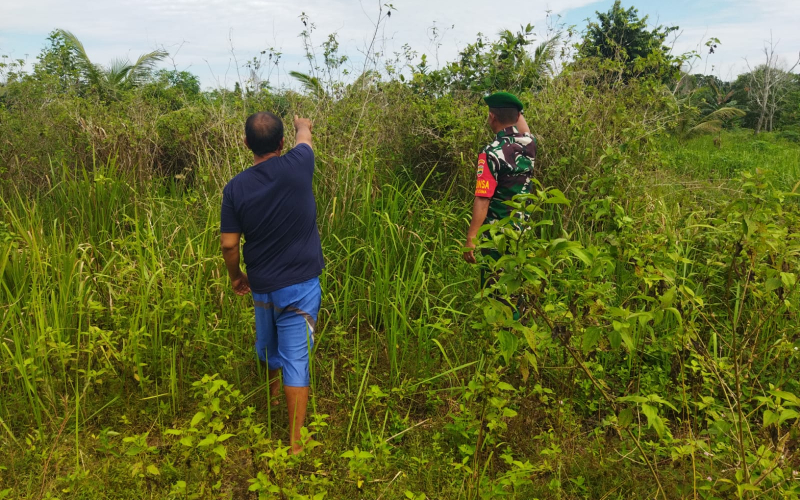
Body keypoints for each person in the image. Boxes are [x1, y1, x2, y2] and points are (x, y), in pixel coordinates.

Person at [220, 112, 324, 455]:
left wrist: (237, 277)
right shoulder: (298, 163)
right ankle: (295, 445)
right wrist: (301, 124)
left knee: (267, 344)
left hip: (262, 284)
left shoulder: (235, 187)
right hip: (301, 285)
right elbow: (305, 138)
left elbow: (229, 244)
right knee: (295, 358)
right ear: (281, 143)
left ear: (246, 143)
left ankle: (275, 398)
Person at [463, 92, 537, 316]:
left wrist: (471, 238)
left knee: (497, 288)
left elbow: (483, 198)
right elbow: (523, 128)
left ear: (492, 117)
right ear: (516, 117)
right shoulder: (529, 145)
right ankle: (520, 326)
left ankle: (501, 333)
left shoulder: (490, 153)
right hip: (522, 231)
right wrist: (516, 109)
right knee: (517, 282)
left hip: (497, 233)